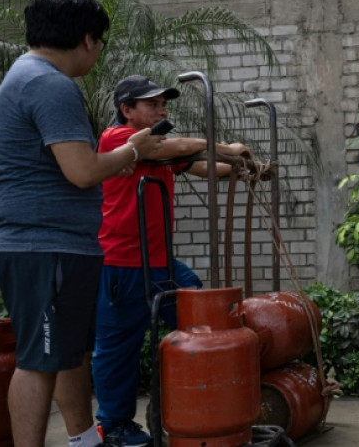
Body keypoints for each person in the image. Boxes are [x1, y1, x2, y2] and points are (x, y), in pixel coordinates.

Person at [0, 0, 163, 447]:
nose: (99, 51)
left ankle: (85, 440)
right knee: (40, 360)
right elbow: (83, 171)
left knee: (67, 355)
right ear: (87, 39)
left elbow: (75, 165)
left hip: (55, 244)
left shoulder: (29, 76)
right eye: (100, 41)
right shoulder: (48, 83)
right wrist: (134, 149)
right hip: (44, 245)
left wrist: (114, 160)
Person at [92, 75, 253, 447]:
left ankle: (195, 403)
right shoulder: (118, 140)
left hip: (162, 264)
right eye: (152, 104)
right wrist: (225, 145)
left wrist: (242, 168)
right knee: (119, 347)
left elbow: (201, 167)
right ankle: (114, 426)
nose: (162, 109)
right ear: (126, 109)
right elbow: (180, 146)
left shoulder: (162, 151)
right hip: (123, 265)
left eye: (164, 103)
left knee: (203, 317)